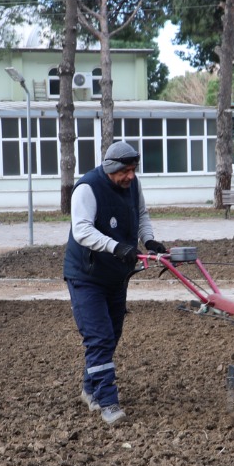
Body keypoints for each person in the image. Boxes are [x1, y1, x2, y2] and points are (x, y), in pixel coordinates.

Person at [64, 140, 166, 426]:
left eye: (134, 170)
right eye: (126, 171)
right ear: (111, 168)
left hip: (117, 276)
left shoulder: (133, 185)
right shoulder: (87, 188)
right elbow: (82, 230)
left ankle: (89, 388)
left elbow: (141, 214)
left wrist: (148, 240)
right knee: (99, 338)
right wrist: (117, 247)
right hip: (86, 276)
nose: (130, 176)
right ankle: (107, 402)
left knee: (111, 336)